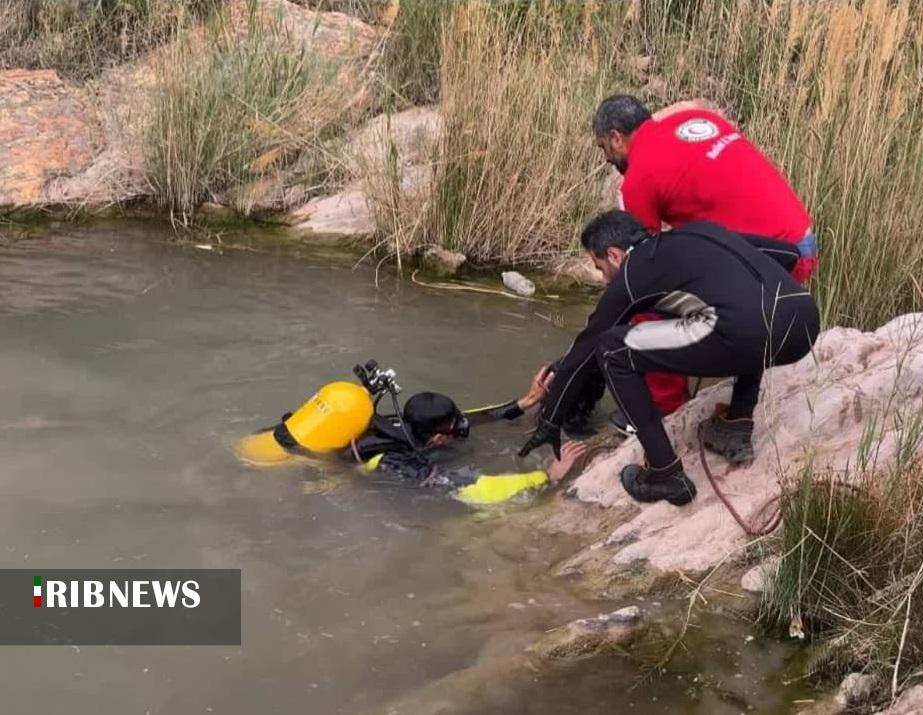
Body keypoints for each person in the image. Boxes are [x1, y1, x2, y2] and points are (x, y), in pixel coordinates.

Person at [518, 211, 819, 506]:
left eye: (599, 268)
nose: (603, 280)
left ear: (614, 255)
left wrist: (550, 421)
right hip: (804, 322)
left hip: (747, 331)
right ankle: (735, 426)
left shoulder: (633, 273)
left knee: (612, 349)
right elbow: (787, 253)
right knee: (749, 318)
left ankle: (665, 474)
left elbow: (587, 347)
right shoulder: (700, 231)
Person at [591, 94, 817, 422]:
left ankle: (666, 407)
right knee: (744, 298)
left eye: (604, 148)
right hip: (799, 239)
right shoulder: (695, 120)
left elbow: (640, 273)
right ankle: (739, 413)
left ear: (616, 137)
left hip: (771, 255)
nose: (607, 159)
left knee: (650, 302)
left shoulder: (639, 178)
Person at [236, 363, 587, 506]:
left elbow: (470, 420)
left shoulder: (398, 421)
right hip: (304, 477)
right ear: (435, 438)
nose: (459, 430)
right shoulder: (398, 460)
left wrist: (525, 402)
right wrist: (546, 477)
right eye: (451, 431)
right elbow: (469, 487)